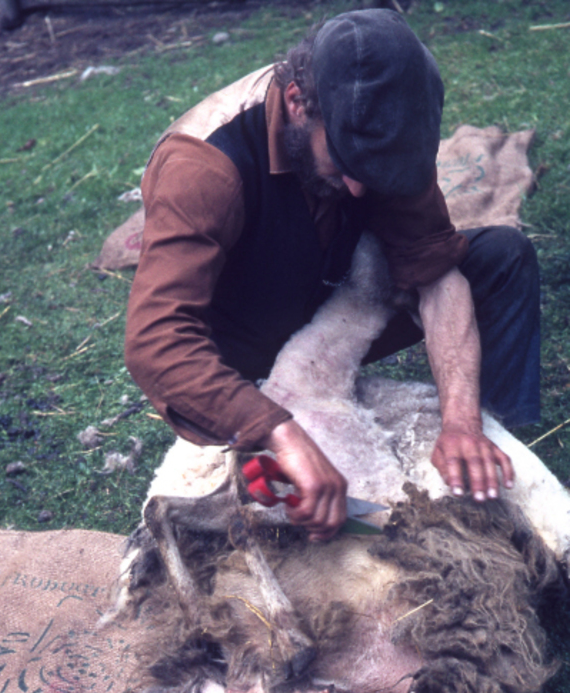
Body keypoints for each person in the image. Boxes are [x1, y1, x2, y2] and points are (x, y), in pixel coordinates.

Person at [125, 8, 540, 541]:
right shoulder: (204, 167)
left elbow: (435, 272)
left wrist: (463, 423)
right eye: (346, 162)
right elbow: (156, 341)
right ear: (297, 103)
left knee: (501, 256)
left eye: (376, 171)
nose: (362, 189)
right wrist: (277, 430)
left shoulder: (387, 130)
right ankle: (260, 434)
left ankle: (493, 464)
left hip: (329, 311)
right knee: (269, 491)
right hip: (240, 343)